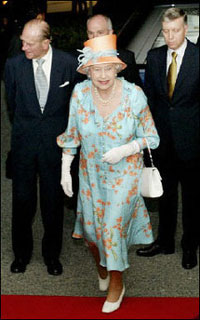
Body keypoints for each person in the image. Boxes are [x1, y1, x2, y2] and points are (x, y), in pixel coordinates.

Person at [57, 34, 159, 313]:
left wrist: (126, 149)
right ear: (88, 71)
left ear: (117, 68)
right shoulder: (80, 94)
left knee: (111, 230)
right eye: (96, 69)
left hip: (124, 175)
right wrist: (66, 167)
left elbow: (152, 137)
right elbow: (73, 132)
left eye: (107, 68)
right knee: (91, 233)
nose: (102, 75)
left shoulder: (133, 95)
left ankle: (117, 284)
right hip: (90, 176)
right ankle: (103, 269)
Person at [4, 19, 80, 275]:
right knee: (22, 202)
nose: (23, 46)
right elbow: (12, 106)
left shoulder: (68, 64)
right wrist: (28, 129)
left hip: (55, 146)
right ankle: (21, 255)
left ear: (47, 42)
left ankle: (52, 256)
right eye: (23, 40)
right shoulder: (13, 65)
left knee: (52, 203)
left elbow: (74, 106)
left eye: (29, 43)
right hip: (24, 144)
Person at [136, 8, 199, 270]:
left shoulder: (198, 56)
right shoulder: (154, 57)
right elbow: (150, 99)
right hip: (162, 138)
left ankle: (189, 246)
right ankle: (165, 241)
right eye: (166, 31)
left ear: (186, 29)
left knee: (193, 197)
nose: (170, 36)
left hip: (193, 139)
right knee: (165, 193)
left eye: (175, 30)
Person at [86, 14, 143, 87]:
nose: (95, 37)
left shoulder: (126, 58)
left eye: (100, 32)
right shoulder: (81, 59)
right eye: (91, 33)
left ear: (110, 32)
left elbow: (136, 88)